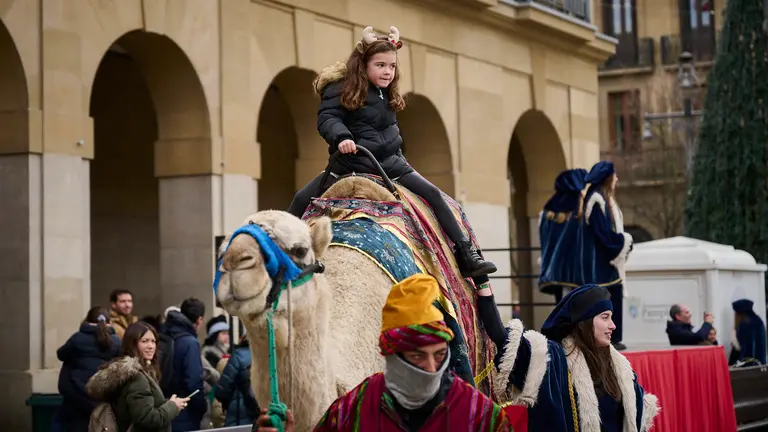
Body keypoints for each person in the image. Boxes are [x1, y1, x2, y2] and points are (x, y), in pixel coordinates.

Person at [286, 25, 496, 278]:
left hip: (392, 163)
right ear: (364, 64)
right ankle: (281, 253)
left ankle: (466, 254)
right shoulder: (340, 88)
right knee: (301, 198)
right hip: (351, 163)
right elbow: (328, 118)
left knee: (434, 195)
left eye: (392, 66)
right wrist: (342, 138)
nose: (387, 71)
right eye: (380, 65)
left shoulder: (387, 92)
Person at [312, 273, 509, 431]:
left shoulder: (479, 415)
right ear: (393, 357)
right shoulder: (353, 409)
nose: (432, 368)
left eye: (439, 354)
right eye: (417, 356)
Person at [486, 284, 659, 431]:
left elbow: (636, 412)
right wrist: (482, 284)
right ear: (585, 321)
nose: (613, 326)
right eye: (605, 317)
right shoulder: (554, 358)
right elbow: (504, 339)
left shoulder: (619, 367)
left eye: (612, 318)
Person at [86, 322, 189, 432]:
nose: (151, 346)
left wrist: (169, 404)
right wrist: (172, 406)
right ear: (133, 344)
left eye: (153, 341)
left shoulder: (128, 373)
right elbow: (147, 419)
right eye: (144, 341)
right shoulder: (136, 377)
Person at [580, 161, 633, 351]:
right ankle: (609, 339)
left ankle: (613, 338)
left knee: (613, 296)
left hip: (605, 262)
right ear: (608, 178)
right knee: (608, 299)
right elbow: (602, 234)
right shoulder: (596, 200)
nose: (617, 179)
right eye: (615, 175)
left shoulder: (602, 198)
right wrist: (623, 242)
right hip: (600, 264)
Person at [55, 307, 121, 432]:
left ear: (87, 320)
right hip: (102, 396)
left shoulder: (77, 338)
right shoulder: (116, 341)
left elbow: (61, 354)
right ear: (108, 322)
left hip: (77, 394)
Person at [538, 168, 588, 303]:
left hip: (553, 269)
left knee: (562, 308)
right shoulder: (579, 205)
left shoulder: (548, 207)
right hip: (575, 270)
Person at [162, 298, 207, 432]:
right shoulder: (190, 342)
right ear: (199, 320)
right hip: (184, 411)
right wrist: (201, 407)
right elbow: (193, 382)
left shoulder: (165, 335)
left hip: (163, 407)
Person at [730, 299, 767, 365]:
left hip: (749, 366)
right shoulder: (758, 321)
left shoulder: (745, 324)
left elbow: (746, 350)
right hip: (760, 364)